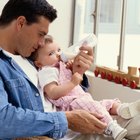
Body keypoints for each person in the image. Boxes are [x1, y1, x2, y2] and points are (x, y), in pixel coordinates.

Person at [0, 1, 140, 140]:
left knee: (136, 117)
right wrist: (67, 120)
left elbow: (69, 94)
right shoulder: (4, 63)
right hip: (62, 131)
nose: (42, 42)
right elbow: (3, 120)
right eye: (41, 34)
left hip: (78, 121)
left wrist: (77, 72)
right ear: (20, 23)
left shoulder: (31, 54)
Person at [30, 35, 140, 140]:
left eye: (59, 49)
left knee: (104, 104)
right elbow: (53, 93)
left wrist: (72, 69)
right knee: (96, 108)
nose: (58, 54)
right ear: (39, 63)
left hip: (81, 97)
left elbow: (71, 77)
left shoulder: (61, 66)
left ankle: (122, 109)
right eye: (51, 53)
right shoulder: (47, 71)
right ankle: (112, 127)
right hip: (71, 103)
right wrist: (72, 83)